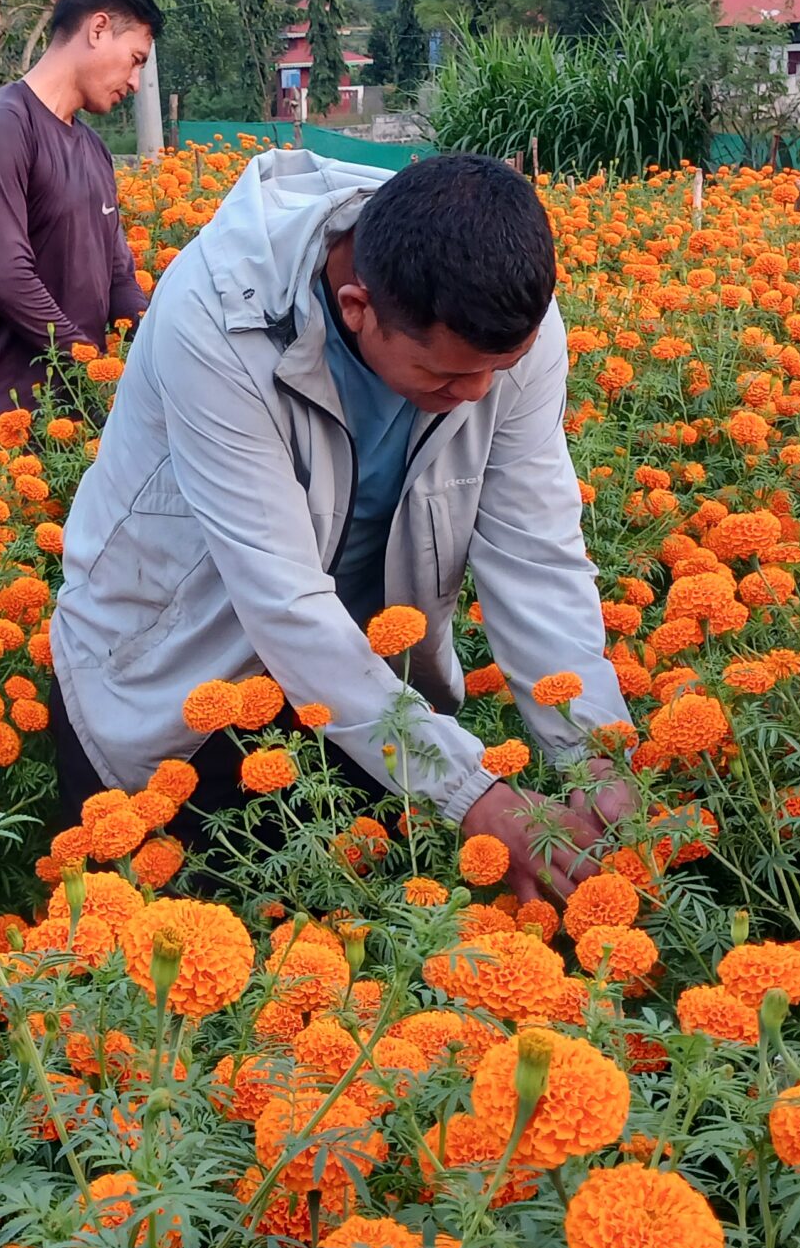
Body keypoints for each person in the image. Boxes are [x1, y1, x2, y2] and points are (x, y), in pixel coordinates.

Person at [49, 148, 638, 901]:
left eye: (502, 367)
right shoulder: (222, 318)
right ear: (357, 307)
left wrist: (591, 753)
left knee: (351, 933)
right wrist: (472, 793)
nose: (480, 392)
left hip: (369, 698)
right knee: (153, 963)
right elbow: (284, 600)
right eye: (449, 376)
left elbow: (536, 551)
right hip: (179, 677)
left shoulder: (501, 319)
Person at [0, 0, 162, 432]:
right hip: (8, 425)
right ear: (99, 28)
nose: (134, 82)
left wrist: (163, 345)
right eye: (135, 59)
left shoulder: (95, 152)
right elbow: (8, 278)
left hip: (81, 416)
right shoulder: (3, 126)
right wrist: (89, 364)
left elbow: (118, 276)